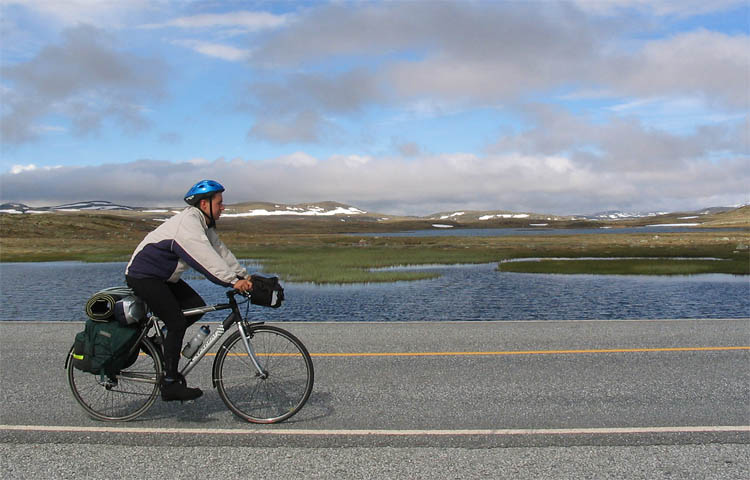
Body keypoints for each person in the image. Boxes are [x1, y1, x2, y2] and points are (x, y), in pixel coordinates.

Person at [125, 180, 252, 401]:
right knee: (175, 321)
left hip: (163, 277)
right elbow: (204, 258)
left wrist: (245, 276)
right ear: (204, 204)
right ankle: (170, 383)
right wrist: (232, 282)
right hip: (144, 276)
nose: (223, 207)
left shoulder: (203, 224)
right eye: (219, 203)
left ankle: (160, 342)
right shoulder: (188, 225)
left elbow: (220, 252)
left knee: (196, 308)